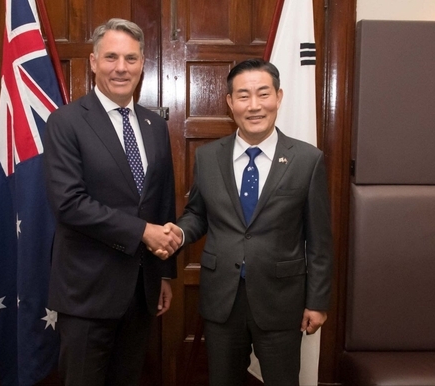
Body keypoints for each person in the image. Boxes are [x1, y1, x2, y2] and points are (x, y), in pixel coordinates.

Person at [164, 58, 333, 386]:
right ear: (230, 102)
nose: (254, 106)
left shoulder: (307, 160)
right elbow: (198, 213)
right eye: (243, 96)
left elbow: (320, 239)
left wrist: (318, 301)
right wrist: (180, 233)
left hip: (281, 301)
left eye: (263, 94)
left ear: (279, 97)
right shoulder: (208, 157)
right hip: (222, 300)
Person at [43, 18, 180, 386]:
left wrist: (165, 272)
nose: (121, 68)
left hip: (141, 290)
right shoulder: (66, 122)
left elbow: (161, 200)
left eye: (131, 58)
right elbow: (69, 202)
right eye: (112, 57)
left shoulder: (154, 125)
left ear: (142, 64)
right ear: (93, 62)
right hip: (87, 294)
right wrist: (143, 233)